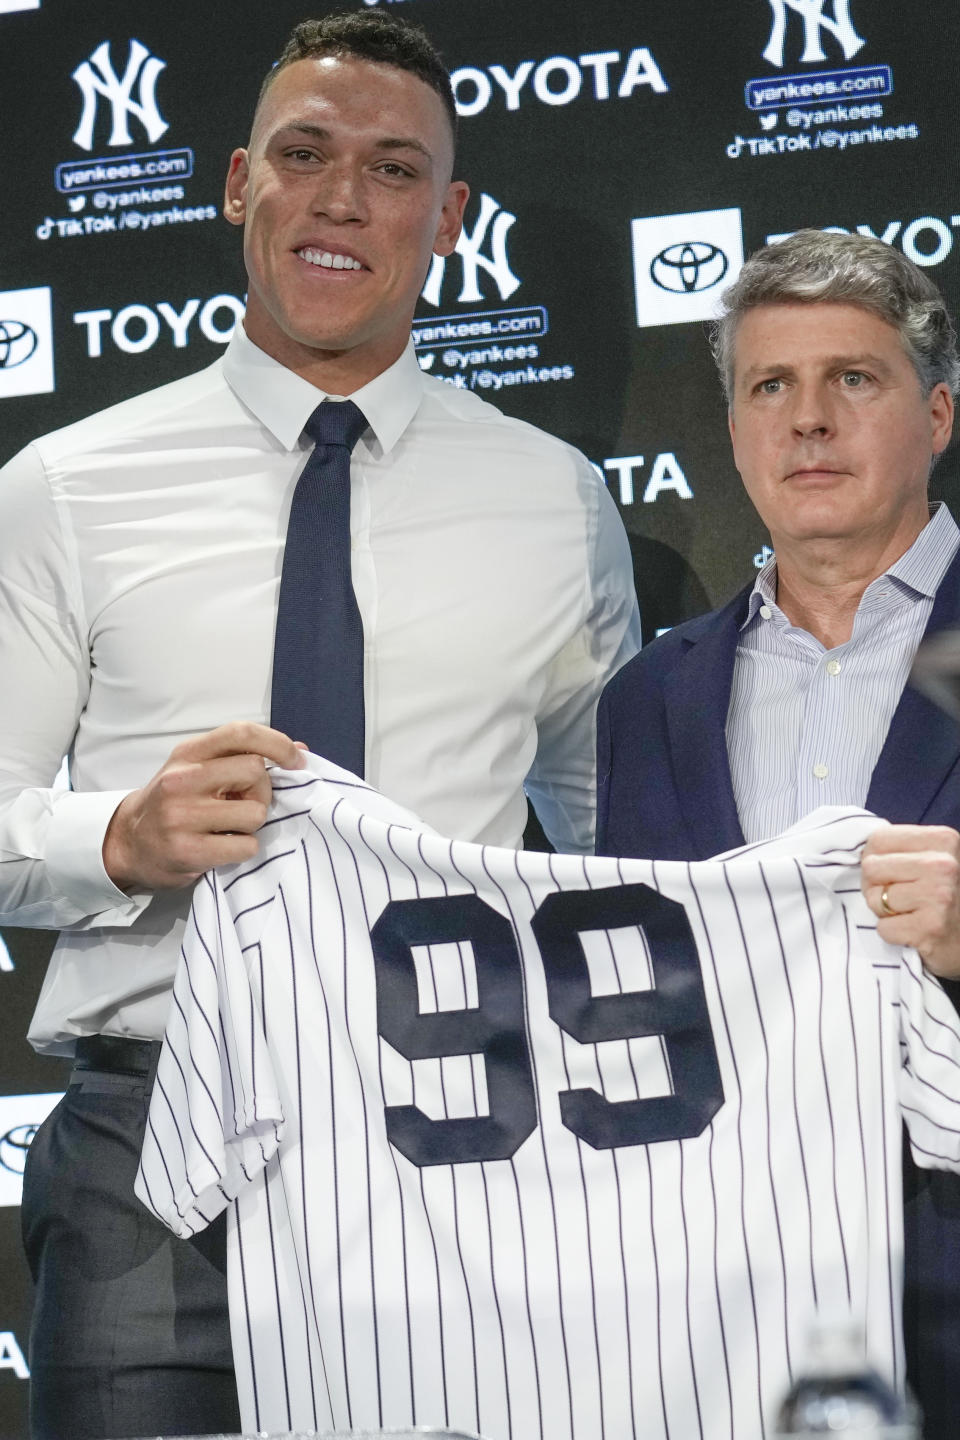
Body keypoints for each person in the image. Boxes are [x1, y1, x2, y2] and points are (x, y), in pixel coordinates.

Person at [0, 13, 640, 1438]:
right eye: (306, 154)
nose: (345, 196)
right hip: (151, 1145)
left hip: (464, 1137)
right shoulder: (67, 486)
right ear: (240, 185)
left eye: (395, 168)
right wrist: (115, 835)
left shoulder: (555, 502)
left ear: (451, 217)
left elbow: (627, 861)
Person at [596, 228, 960, 1438]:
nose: (808, 419)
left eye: (852, 379)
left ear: (939, 412)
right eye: (771, 386)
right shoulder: (649, 698)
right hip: (725, 1295)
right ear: (739, 426)